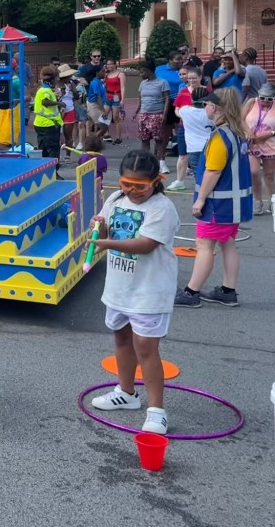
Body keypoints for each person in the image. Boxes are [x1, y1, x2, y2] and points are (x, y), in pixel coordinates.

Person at [89, 150, 179, 436]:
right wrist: (99, 226)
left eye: (140, 185)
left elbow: (146, 244)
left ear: (156, 181)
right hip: (120, 287)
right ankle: (126, 393)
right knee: (122, 339)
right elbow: (106, 224)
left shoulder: (161, 208)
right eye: (127, 183)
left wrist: (106, 243)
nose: (133, 191)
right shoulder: (115, 199)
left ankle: (157, 411)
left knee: (146, 348)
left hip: (149, 291)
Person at [175, 88, 252, 309]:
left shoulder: (220, 136)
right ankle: (228, 290)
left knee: (204, 245)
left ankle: (192, 292)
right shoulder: (237, 132)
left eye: (207, 104)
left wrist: (200, 200)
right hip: (233, 203)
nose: (205, 107)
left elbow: (213, 171)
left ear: (216, 108)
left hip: (218, 204)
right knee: (228, 243)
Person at [133, 59, 171, 174]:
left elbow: (167, 99)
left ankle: (161, 163)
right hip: (144, 114)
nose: (140, 75)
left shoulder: (162, 82)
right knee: (144, 140)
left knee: (159, 140)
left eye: (141, 72)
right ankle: (145, 162)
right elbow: (141, 98)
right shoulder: (143, 83)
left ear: (148, 71)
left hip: (157, 114)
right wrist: (136, 111)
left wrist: (164, 115)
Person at [243, 81, 275, 215]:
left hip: (270, 143)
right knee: (254, 172)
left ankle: (272, 201)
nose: (265, 101)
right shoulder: (252, 102)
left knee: (269, 175)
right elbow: (240, 119)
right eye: (262, 98)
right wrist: (247, 132)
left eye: (269, 99)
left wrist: (271, 133)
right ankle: (258, 200)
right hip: (252, 143)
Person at [169, 67, 203, 191]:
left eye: (194, 78)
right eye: (189, 78)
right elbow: (177, 109)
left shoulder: (207, 92)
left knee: (201, 155)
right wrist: (184, 115)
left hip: (201, 128)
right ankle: (180, 180)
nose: (191, 80)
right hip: (185, 126)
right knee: (183, 155)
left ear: (200, 77)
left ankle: (203, 181)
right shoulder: (183, 91)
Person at [32, 66, 62, 173]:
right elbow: (45, 102)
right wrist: (59, 103)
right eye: (56, 78)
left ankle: (44, 172)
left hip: (40, 123)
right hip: (48, 124)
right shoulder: (45, 90)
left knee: (43, 149)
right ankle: (53, 172)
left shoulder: (43, 89)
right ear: (52, 79)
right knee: (53, 149)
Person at [78, 133, 108, 199]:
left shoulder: (83, 156)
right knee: (97, 198)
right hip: (97, 182)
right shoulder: (101, 157)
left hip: (84, 182)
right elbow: (104, 169)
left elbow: (79, 164)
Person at [104, 58, 126, 143]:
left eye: (111, 64)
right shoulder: (107, 75)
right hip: (108, 96)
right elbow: (105, 85)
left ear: (115, 64)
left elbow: (123, 87)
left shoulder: (120, 74)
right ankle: (106, 134)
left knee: (116, 117)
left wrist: (122, 100)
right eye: (108, 64)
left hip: (116, 96)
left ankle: (118, 137)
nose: (109, 66)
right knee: (104, 115)